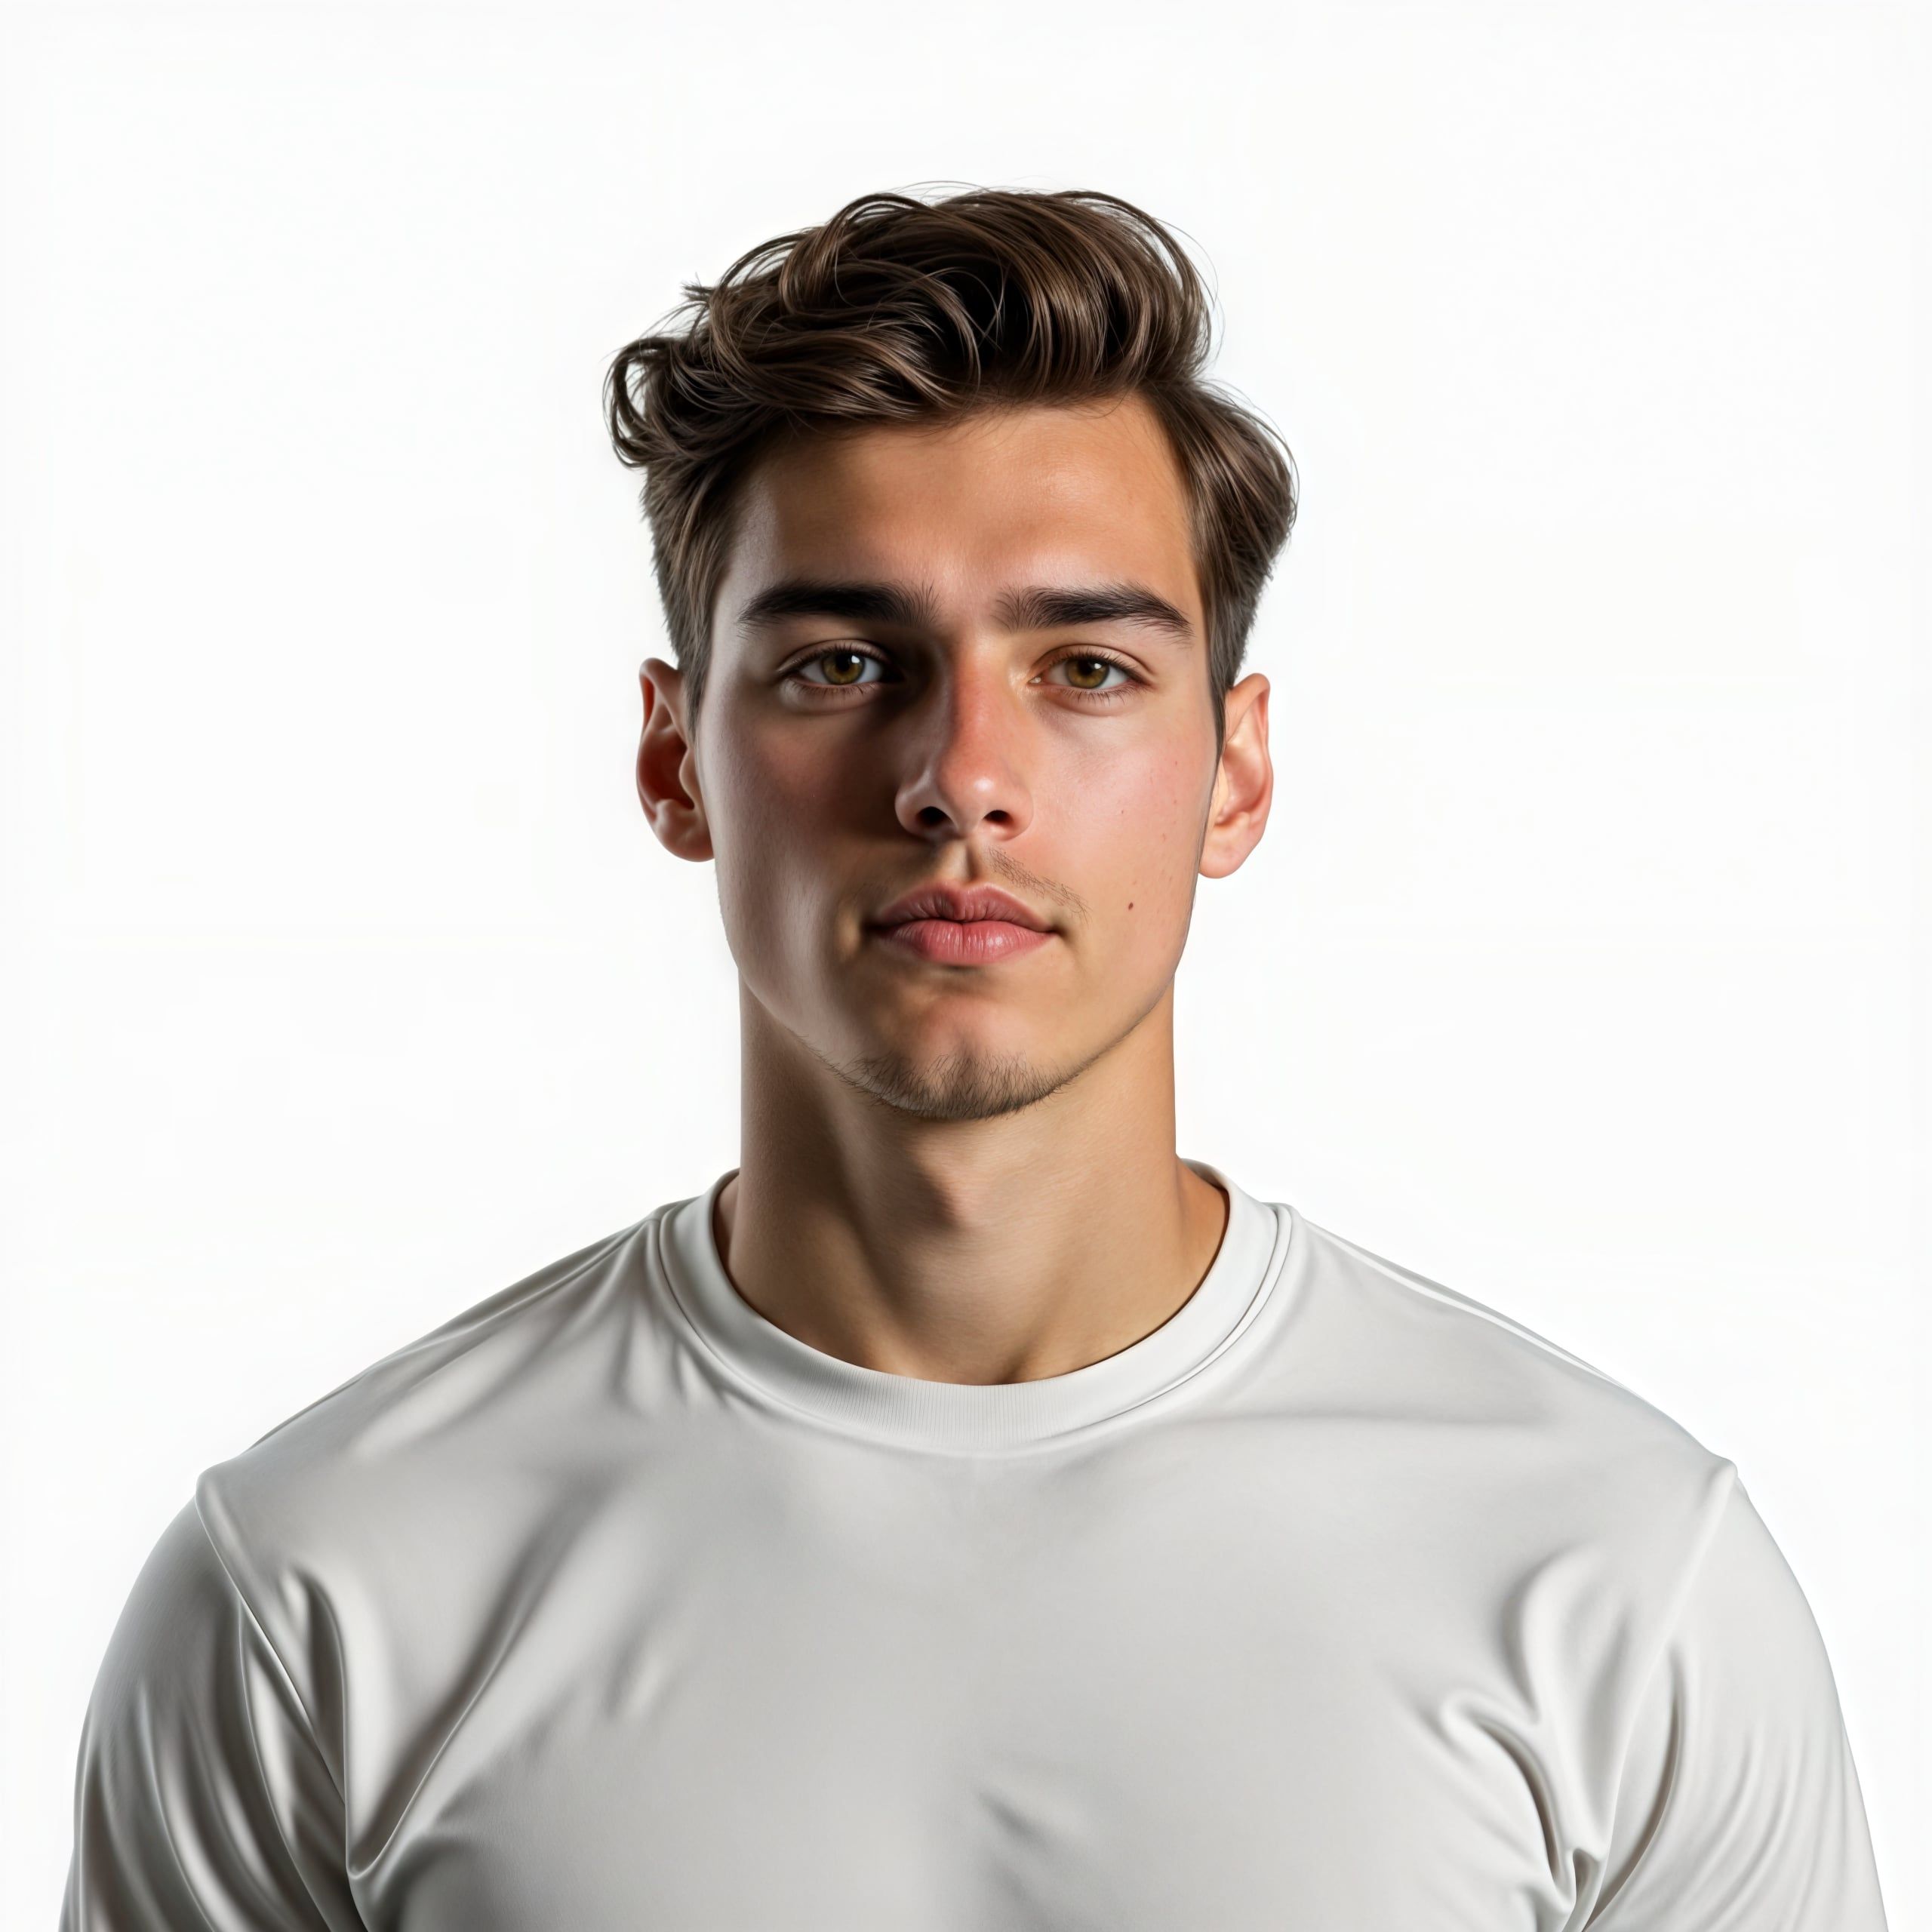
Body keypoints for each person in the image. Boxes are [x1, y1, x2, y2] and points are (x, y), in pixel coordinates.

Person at [59, 184, 1887, 1930]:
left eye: (1084, 666)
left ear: (1233, 769)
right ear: (673, 758)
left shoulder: (1613, 1575)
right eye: (843, 662)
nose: (958, 776)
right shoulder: (323, 1587)